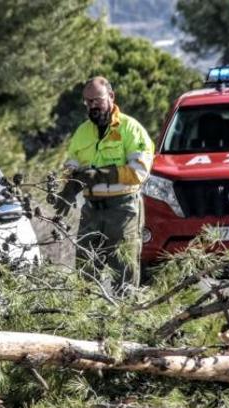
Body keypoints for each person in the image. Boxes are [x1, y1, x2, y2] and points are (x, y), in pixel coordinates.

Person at [53, 76, 154, 289]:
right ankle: (90, 320)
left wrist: (98, 176)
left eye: (97, 100)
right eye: (88, 102)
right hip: (91, 210)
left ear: (111, 96)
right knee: (85, 273)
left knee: (124, 275)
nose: (92, 105)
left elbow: (139, 172)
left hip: (123, 210)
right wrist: (68, 186)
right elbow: (70, 168)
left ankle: (124, 319)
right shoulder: (82, 132)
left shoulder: (130, 128)